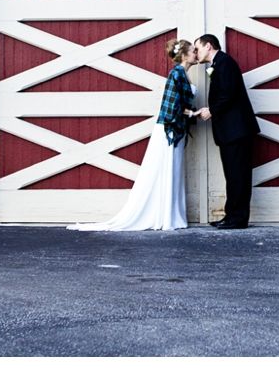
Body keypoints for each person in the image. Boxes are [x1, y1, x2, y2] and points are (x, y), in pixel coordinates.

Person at [67, 38, 198, 231]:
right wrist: (192, 113)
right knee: (165, 170)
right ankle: (164, 216)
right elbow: (172, 108)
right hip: (168, 131)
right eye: (193, 50)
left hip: (176, 131)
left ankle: (171, 215)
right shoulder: (176, 74)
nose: (196, 53)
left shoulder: (184, 75)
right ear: (185, 54)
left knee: (173, 172)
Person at [194, 33, 260, 229]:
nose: (196, 53)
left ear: (208, 46)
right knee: (232, 176)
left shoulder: (225, 63)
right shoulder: (218, 64)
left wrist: (211, 110)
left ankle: (237, 219)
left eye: (197, 48)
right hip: (230, 132)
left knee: (238, 176)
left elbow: (228, 93)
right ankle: (231, 215)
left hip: (237, 131)